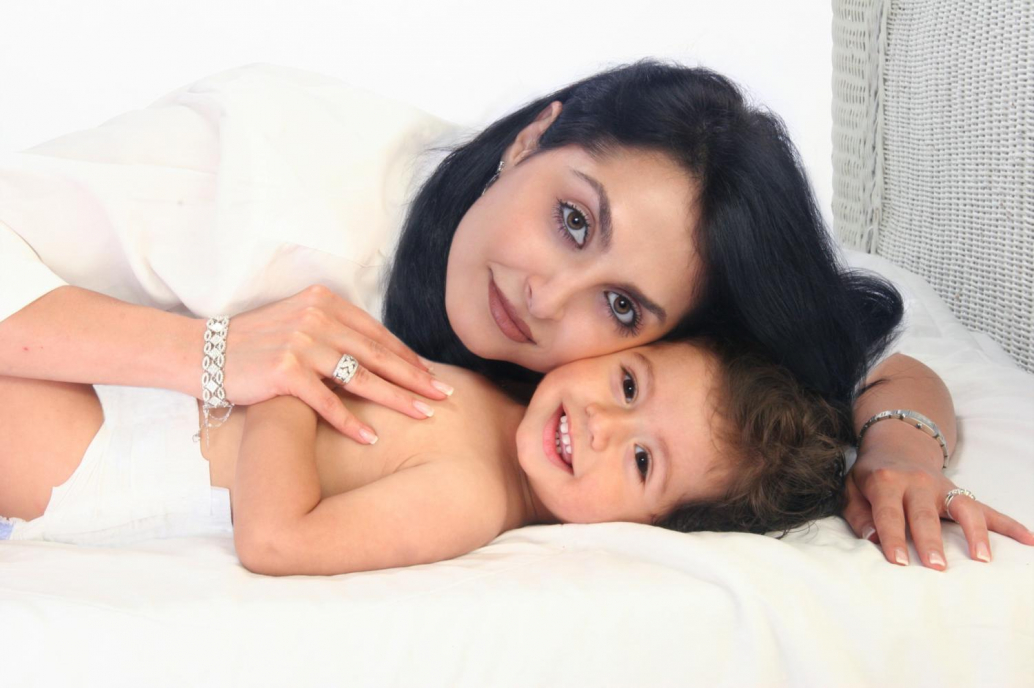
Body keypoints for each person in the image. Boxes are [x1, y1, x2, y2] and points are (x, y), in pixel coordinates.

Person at [0, 60, 990, 569]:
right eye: (572, 220)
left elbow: (884, 353)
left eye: (620, 305)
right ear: (530, 139)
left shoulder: (581, 420)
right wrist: (219, 351)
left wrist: (895, 448)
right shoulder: (268, 170)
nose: (543, 298)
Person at [7, 333, 1028, 575]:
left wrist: (284, 384)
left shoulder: (472, 494)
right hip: (169, 391)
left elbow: (277, 538)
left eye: (642, 465)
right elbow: (884, 356)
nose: (602, 426)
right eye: (627, 383)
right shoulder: (503, 384)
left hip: (124, 460)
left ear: (652, 527)